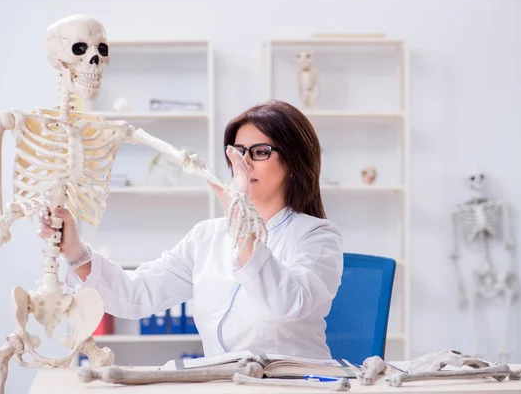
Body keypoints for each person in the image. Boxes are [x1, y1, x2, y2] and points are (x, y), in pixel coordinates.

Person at [38, 100, 344, 359]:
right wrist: (76, 252)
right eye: (238, 153)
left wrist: (241, 226)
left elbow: (286, 306)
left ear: (294, 161)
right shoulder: (207, 237)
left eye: (260, 152)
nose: (244, 164)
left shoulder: (317, 237)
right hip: (227, 386)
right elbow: (136, 296)